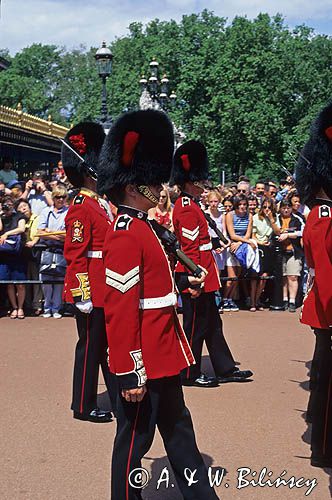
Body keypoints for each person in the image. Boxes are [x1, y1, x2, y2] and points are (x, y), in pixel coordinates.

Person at [98, 109, 219, 500]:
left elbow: (155, 286)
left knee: (180, 431)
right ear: (134, 186)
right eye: (152, 179)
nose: (159, 186)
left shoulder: (146, 228)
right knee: (133, 444)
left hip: (164, 351)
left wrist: (186, 281)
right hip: (144, 359)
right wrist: (130, 372)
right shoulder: (124, 234)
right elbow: (121, 309)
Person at [171, 140, 253, 387]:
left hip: (204, 271)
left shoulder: (193, 205)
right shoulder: (185, 207)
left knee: (213, 324)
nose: (204, 186)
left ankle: (225, 368)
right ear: (190, 181)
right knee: (195, 326)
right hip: (196, 273)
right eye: (200, 181)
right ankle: (188, 373)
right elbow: (189, 248)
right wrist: (194, 278)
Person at [62, 121, 115, 423]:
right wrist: (82, 293)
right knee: (90, 348)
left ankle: (118, 399)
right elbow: (76, 254)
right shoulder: (81, 205)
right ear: (88, 169)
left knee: (104, 346)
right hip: (91, 288)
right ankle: (82, 405)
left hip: (104, 284)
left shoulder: (101, 204)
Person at [296, 101, 332, 469]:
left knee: (323, 379)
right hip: (330, 309)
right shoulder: (324, 216)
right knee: (326, 386)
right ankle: (323, 448)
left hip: (326, 310)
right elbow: (325, 270)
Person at [37, 185, 68, 318]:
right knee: (46, 279)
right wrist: (58, 235)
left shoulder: (69, 211)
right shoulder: (46, 211)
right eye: (57, 197)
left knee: (59, 278)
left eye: (63, 197)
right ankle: (47, 307)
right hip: (47, 249)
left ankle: (56, 308)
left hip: (61, 250)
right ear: (53, 198)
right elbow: (39, 232)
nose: (60, 199)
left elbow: (68, 235)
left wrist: (50, 232)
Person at [224, 194, 255, 311]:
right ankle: (225, 299)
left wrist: (240, 243)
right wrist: (238, 243)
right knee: (231, 277)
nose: (242, 207)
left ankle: (231, 300)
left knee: (237, 277)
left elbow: (247, 233)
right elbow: (232, 234)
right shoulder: (229, 215)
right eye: (240, 204)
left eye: (244, 204)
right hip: (231, 247)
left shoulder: (250, 216)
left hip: (242, 247)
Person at [0, 195, 26, 319]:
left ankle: (21, 307)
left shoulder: (19, 216)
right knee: (9, 283)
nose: (7, 205)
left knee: (20, 283)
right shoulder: (2, 217)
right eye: (5, 203)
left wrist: (7, 233)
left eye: (10, 203)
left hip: (17, 254)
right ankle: (14, 307)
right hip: (4, 254)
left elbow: (21, 229)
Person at [251, 197, 280, 310]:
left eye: (269, 207)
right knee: (254, 277)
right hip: (257, 247)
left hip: (268, 249)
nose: (266, 209)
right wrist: (260, 242)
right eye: (264, 207)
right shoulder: (255, 218)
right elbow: (252, 236)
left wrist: (271, 218)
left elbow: (278, 232)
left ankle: (257, 300)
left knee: (264, 277)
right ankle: (252, 302)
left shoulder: (274, 218)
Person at [15, 199, 43, 316]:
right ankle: (26, 304)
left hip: (34, 251)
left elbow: (39, 232)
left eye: (25, 206)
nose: (24, 209)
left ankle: (37, 304)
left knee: (36, 278)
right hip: (21, 253)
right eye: (21, 207)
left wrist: (34, 242)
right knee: (24, 280)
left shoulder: (36, 218)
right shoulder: (19, 220)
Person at [276, 199, 304, 312]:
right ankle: (285, 299)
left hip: (293, 252)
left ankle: (292, 301)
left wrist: (288, 235)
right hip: (280, 252)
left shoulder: (297, 219)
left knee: (293, 276)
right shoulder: (276, 219)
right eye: (284, 207)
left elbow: (303, 232)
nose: (286, 210)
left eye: (288, 207)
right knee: (283, 277)